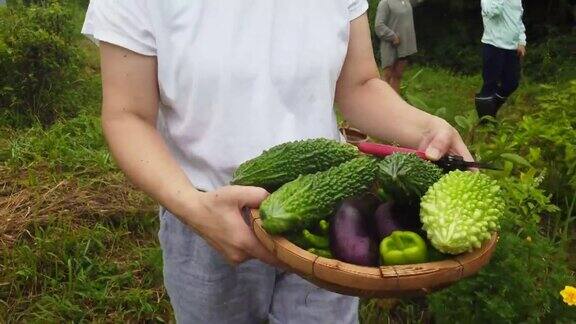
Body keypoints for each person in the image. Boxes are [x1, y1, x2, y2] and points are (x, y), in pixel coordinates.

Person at [82, 1, 473, 323]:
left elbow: (358, 85)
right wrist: (193, 208)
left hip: (330, 215)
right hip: (207, 219)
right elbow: (126, 115)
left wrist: (424, 129)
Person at [475, 0, 527, 121]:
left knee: (511, 83)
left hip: (512, 47)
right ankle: (486, 121)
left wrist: (521, 41)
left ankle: (490, 109)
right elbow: (491, 12)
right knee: (490, 84)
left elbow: (518, 20)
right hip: (493, 45)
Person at [374, 0, 423, 93]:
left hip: (405, 46)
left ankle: (395, 101)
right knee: (387, 75)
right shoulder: (385, 3)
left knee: (398, 75)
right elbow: (379, 25)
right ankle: (382, 101)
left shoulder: (406, 1)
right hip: (391, 45)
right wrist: (392, 36)